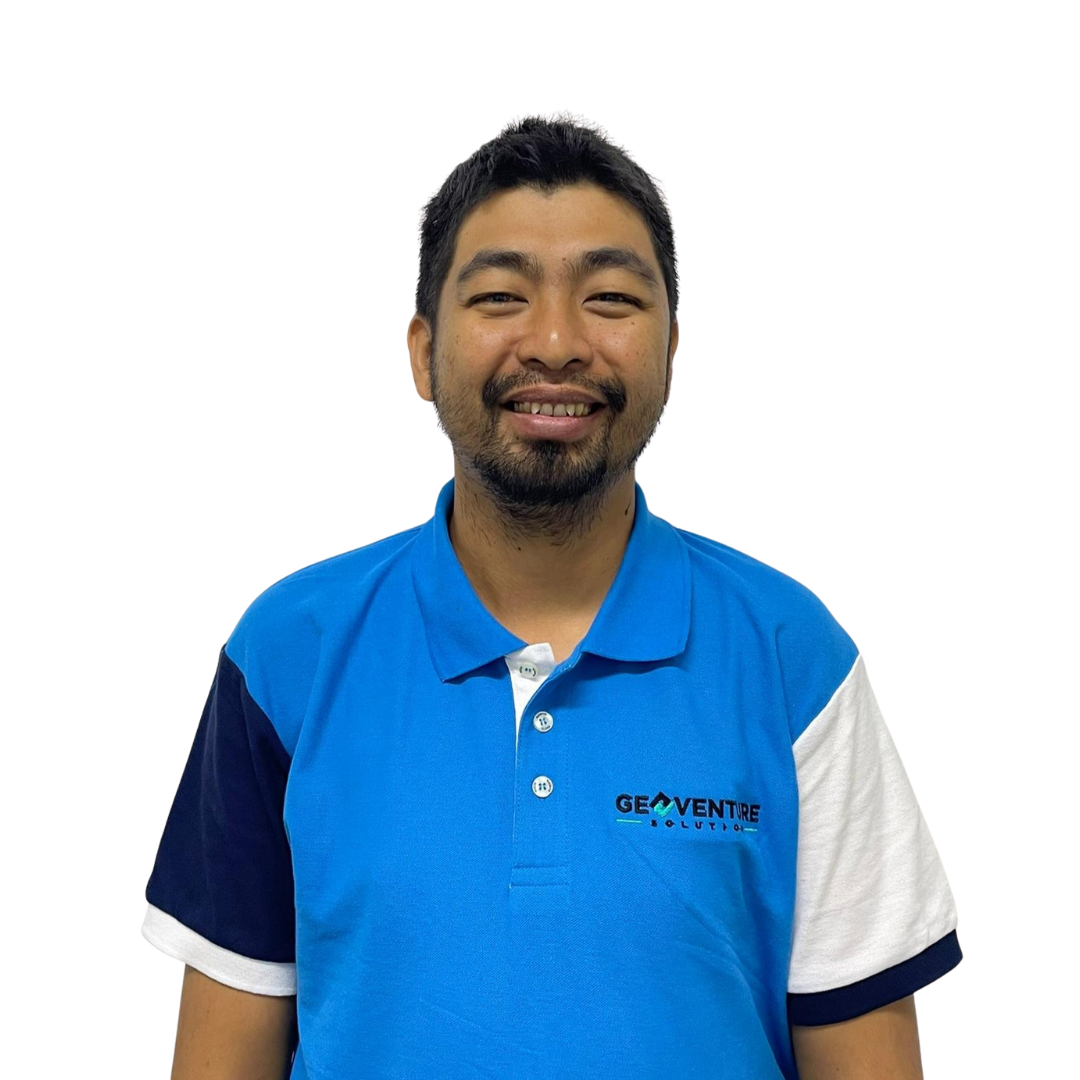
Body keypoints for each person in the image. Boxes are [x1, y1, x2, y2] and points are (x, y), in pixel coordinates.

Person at [144, 117, 961, 1080]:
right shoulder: (288, 654)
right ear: (423, 351)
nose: (558, 343)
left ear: (670, 348)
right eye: (501, 296)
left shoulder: (791, 659)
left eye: (610, 298)